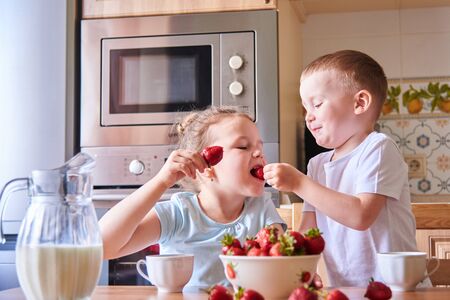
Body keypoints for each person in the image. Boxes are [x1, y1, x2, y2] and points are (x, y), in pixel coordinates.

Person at [263, 50, 419, 287]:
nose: (308, 117)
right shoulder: (317, 165)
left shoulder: (378, 148)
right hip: (345, 289)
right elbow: (309, 232)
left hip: (396, 289)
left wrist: (299, 183)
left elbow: (360, 216)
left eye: (316, 104)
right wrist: (298, 270)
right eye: (305, 108)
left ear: (360, 103)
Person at [99, 106, 286, 288]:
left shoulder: (261, 207)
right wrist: (161, 182)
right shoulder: (178, 214)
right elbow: (102, 246)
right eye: (243, 146)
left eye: (260, 147)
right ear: (207, 166)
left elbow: (282, 266)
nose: (259, 153)